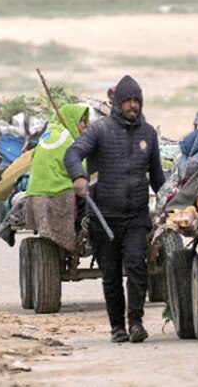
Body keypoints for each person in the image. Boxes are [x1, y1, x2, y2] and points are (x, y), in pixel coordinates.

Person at [64, 75, 165, 344]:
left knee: (136, 266)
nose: (133, 106)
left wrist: (169, 201)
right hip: (103, 216)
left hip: (136, 216)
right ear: (118, 102)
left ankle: (136, 322)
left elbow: (156, 176)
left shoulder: (149, 134)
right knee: (110, 274)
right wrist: (78, 177)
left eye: (137, 101)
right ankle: (117, 327)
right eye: (128, 101)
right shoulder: (99, 130)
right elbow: (73, 154)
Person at [22, 103, 90, 253]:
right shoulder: (68, 140)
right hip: (56, 191)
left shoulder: (49, 134)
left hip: (35, 190)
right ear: (71, 120)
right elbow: (82, 168)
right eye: (81, 121)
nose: (84, 126)